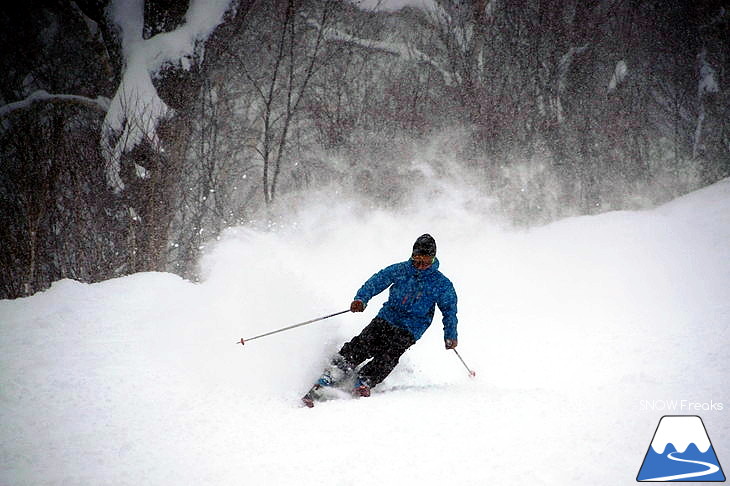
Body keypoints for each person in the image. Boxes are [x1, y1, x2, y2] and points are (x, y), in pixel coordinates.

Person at [302, 234, 458, 406]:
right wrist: (361, 299)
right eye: (417, 259)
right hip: (388, 317)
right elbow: (376, 281)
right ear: (412, 256)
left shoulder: (442, 284)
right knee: (363, 344)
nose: (420, 265)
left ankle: (364, 380)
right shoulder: (400, 270)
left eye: (426, 261)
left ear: (433, 258)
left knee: (390, 353)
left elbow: (449, 311)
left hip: (412, 327)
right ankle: (334, 372)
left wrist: (450, 335)